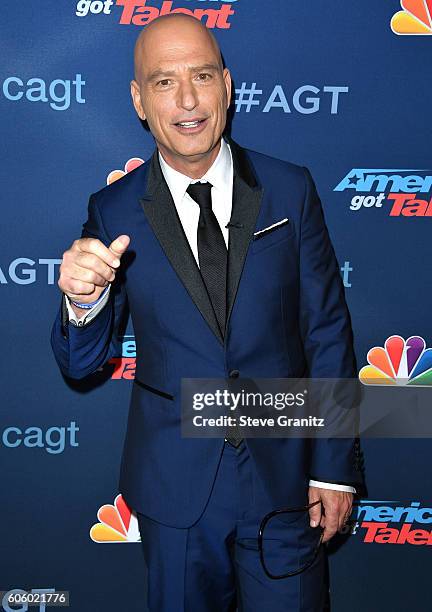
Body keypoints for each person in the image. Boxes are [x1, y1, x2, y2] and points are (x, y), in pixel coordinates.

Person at [51, 14, 361, 611]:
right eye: (165, 82)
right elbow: (81, 362)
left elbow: (326, 332)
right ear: (140, 101)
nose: (188, 100)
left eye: (201, 76)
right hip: (176, 493)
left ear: (227, 85)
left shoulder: (289, 189)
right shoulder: (113, 210)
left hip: (287, 481)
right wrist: (84, 303)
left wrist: (334, 468)